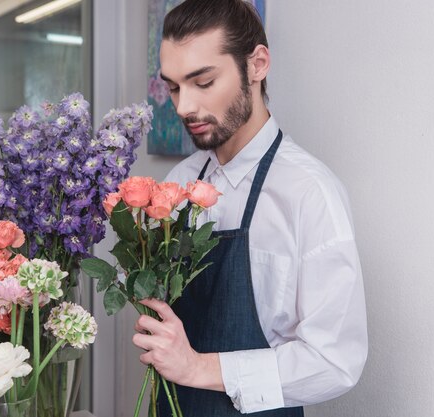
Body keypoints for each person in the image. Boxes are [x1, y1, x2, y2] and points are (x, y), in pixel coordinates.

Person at [132, 0, 368, 415]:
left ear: (257, 65)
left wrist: (196, 367)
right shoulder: (177, 185)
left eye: (202, 82)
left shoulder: (309, 193)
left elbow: (335, 362)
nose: (184, 106)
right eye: (173, 87)